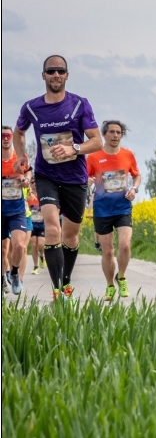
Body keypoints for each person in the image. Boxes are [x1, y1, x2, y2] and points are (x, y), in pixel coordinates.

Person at [13, 54, 102, 300]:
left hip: (75, 177)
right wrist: (22, 156)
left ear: (66, 75)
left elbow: (96, 141)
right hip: (46, 175)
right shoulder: (31, 107)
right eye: (51, 71)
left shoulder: (79, 104)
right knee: (53, 228)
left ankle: (65, 281)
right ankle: (56, 289)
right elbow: (19, 132)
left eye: (60, 71)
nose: (56, 75)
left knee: (71, 236)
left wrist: (74, 148)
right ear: (43, 75)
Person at [87, 120, 141, 302]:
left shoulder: (128, 155)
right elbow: (84, 177)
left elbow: (137, 175)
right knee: (108, 251)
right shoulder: (94, 157)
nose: (115, 135)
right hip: (102, 209)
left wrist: (134, 189)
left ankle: (122, 276)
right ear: (105, 134)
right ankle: (110, 285)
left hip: (123, 207)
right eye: (112, 132)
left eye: (118, 132)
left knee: (125, 245)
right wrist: (87, 181)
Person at [2, 126, 32, 297]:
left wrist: (26, 181)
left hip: (17, 209)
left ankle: (14, 273)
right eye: (3, 136)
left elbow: (29, 173)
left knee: (19, 246)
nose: (5, 138)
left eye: (8, 136)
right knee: (3, 250)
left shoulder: (19, 158)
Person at [26, 190, 44, 274]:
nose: (34, 184)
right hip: (32, 224)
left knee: (41, 244)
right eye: (32, 182)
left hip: (41, 224)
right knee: (34, 244)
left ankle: (41, 256)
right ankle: (35, 266)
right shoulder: (29, 196)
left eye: (35, 182)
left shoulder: (42, 195)